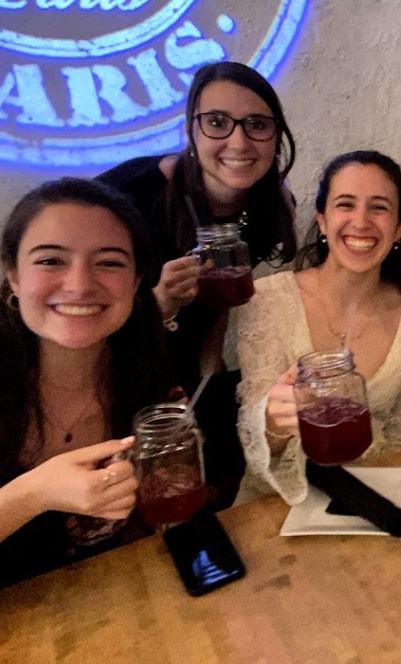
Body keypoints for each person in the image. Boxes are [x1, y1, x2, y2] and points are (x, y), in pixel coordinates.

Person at [0, 178, 172, 601]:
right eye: (51, 260)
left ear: (135, 282)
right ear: (13, 276)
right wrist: (34, 493)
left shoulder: (149, 386)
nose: (79, 284)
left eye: (109, 263)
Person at [98, 60, 298, 507]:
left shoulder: (267, 205)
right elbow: (73, 316)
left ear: (276, 135)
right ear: (191, 129)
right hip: (110, 383)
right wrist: (157, 305)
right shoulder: (130, 195)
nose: (239, 142)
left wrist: (210, 382)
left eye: (257, 125)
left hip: (185, 382)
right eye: (218, 122)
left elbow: (221, 307)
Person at [235, 150, 401, 505]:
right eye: (345, 204)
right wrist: (273, 421)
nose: (361, 221)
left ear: (399, 229)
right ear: (323, 220)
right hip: (274, 503)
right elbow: (253, 445)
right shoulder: (266, 300)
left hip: (372, 499)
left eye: (379, 207)